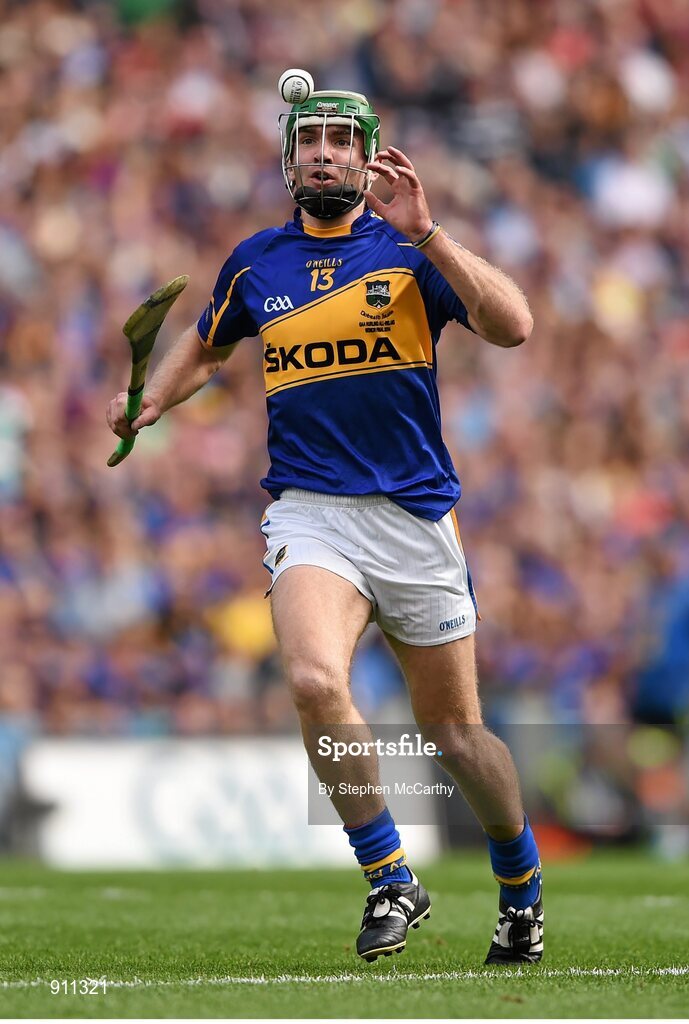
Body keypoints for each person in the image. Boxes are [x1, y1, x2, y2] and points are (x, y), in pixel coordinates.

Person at [107, 76, 543, 966]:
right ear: (289, 157)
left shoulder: (410, 251)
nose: (326, 153)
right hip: (311, 510)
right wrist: (152, 403)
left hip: (417, 516)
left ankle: (520, 887)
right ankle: (389, 876)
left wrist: (429, 231)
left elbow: (515, 326)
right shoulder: (254, 263)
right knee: (312, 680)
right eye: (311, 140)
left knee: (456, 734)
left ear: (370, 155)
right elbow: (207, 342)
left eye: (343, 141)